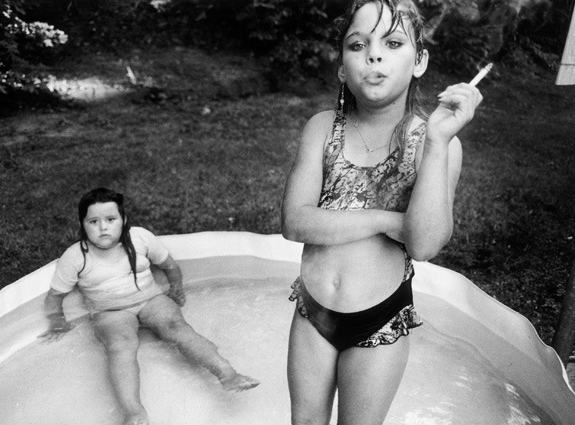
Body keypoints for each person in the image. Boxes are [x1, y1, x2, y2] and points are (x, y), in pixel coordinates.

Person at [281, 1, 483, 424]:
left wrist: (437, 143)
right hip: (312, 310)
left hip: (379, 321)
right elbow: (295, 222)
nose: (374, 55)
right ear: (341, 67)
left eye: (392, 43)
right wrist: (388, 220)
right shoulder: (322, 128)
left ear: (420, 61)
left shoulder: (433, 143)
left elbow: (424, 242)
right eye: (358, 45)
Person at [39, 187, 259, 425]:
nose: (103, 227)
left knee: (176, 327)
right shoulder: (75, 257)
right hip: (110, 312)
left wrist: (176, 289)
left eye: (110, 220)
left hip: (151, 300)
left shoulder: (140, 238)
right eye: (94, 221)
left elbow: (170, 266)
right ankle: (133, 412)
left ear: (123, 220)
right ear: (83, 225)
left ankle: (228, 374)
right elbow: (55, 296)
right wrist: (57, 320)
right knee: (120, 345)